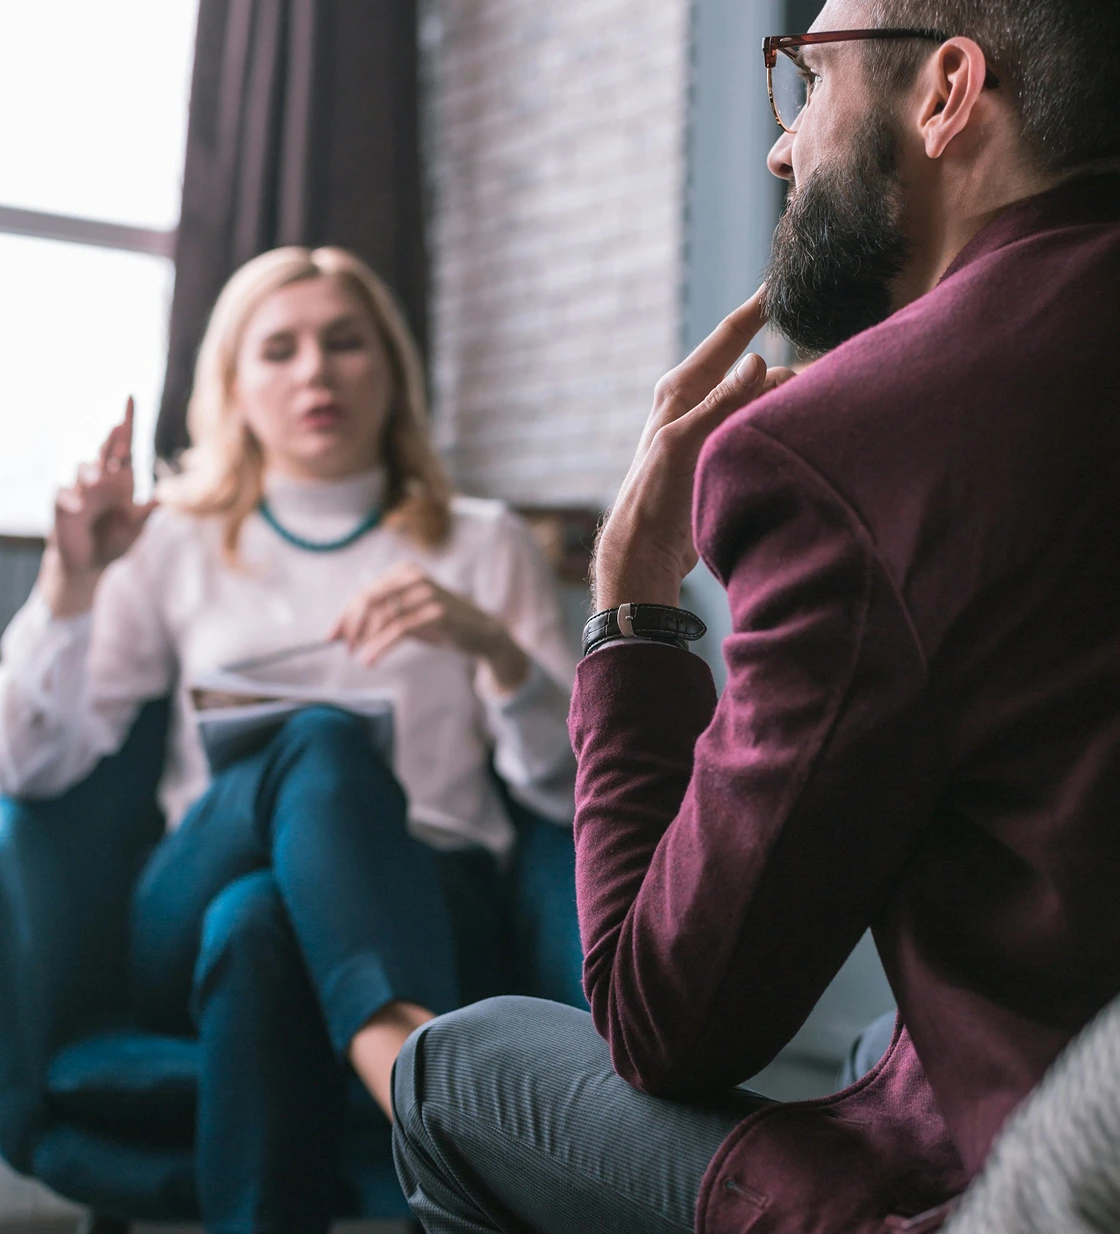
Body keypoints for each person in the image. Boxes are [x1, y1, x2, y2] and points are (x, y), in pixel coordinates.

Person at [390, 1, 1120, 1231]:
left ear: (943, 93)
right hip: (999, 1079)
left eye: (806, 78)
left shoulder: (846, 450)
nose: (780, 150)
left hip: (1010, 1179)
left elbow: (659, 1019)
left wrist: (631, 607)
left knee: (451, 1072)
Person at [0, 246, 577, 1233]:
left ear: (390, 369)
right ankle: (403, 1056)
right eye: (281, 349)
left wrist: (488, 646)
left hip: (430, 897)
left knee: (261, 923)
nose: (315, 371)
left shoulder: (482, 542)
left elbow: (568, 790)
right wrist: (69, 584)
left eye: (345, 343)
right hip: (190, 890)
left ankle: (382, 1049)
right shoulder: (173, 541)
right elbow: (26, 764)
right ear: (233, 383)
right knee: (316, 740)